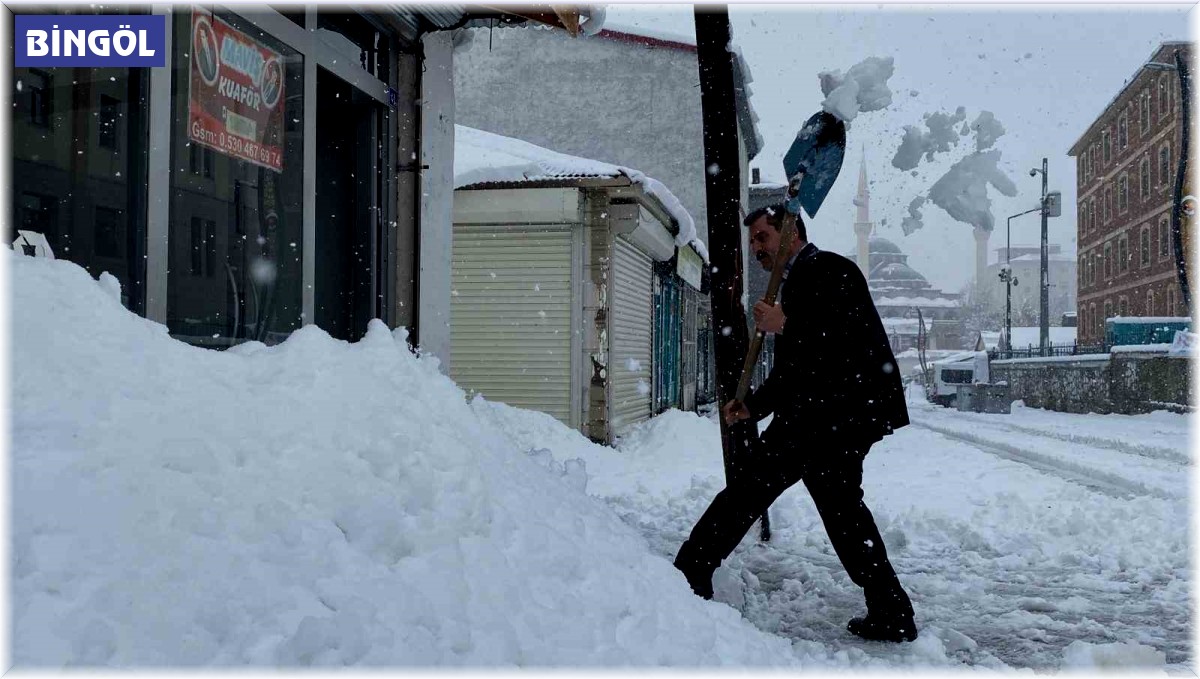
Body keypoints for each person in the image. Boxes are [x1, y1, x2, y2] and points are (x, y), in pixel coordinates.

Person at [673, 203, 917, 643]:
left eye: (763, 238)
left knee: (751, 490)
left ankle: (688, 572)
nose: (757, 248)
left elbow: (844, 335)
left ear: (791, 234)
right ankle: (890, 609)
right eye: (753, 242)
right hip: (823, 415)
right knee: (842, 512)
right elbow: (795, 369)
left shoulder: (829, 269)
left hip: (833, 415)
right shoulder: (798, 281)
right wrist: (753, 405)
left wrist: (788, 321)